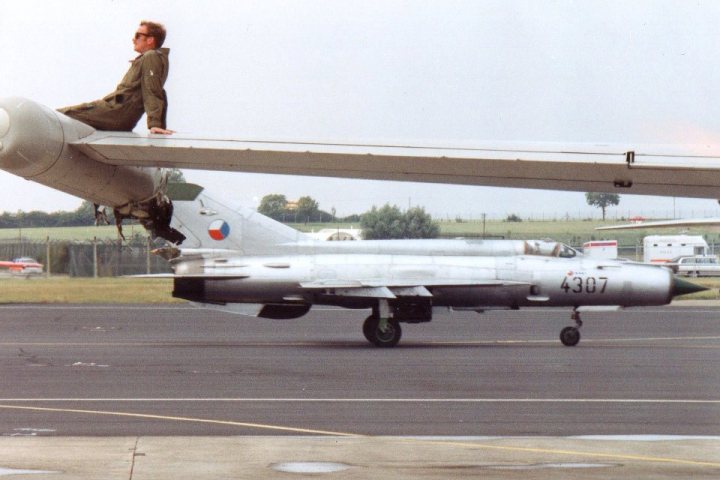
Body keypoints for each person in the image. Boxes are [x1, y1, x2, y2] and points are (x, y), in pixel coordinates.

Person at [58, 21, 174, 134]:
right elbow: (159, 91)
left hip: (116, 112)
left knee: (58, 115)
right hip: (120, 114)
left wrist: (155, 124)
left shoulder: (151, 56)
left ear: (150, 39)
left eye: (138, 35)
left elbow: (152, 90)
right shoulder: (153, 58)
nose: (134, 39)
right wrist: (160, 125)